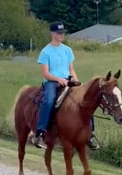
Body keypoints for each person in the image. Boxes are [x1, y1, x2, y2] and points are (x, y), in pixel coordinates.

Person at [33, 21, 100, 150]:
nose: (61, 35)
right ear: (52, 34)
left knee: (85, 100)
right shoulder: (45, 52)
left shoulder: (67, 50)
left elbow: (71, 69)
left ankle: (90, 135)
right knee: (49, 101)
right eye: (59, 33)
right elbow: (46, 73)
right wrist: (58, 79)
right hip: (52, 82)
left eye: (63, 33)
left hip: (68, 81)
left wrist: (77, 82)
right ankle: (39, 134)